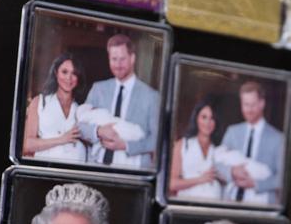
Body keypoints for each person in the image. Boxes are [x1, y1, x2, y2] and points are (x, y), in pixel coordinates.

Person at [78, 34, 159, 169]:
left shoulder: (151, 96)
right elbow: (80, 126)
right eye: (114, 59)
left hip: (132, 170)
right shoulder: (98, 89)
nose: (118, 64)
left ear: (132, 58)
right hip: (97, 165)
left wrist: (126, 145)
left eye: (122, 59)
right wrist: (99, 131)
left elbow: (156, 139)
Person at [218, 81, 284, 204]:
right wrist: (232, 171)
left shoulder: (278, 138)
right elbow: (217, 163)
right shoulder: (232, 132)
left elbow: (283, 177)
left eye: (252, 105)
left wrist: (256, 183)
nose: (249, 110)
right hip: (231, 202)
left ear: (262, 103)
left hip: (262, 206)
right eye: (245, 105)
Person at [22, 52, 87, 163]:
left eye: (74, 73)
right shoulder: (40, 102)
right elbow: (27, 145)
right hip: (47, 168)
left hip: (76, 168)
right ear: (56, 73)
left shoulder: (82, 108)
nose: (69, 78)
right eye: (64, 72)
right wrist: (62, 139)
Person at [168, 99, 223, 200]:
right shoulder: (183, 145)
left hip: (215, 204)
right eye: (204, 117)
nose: (208, 122)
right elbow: (172, 184)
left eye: (212, 118)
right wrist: (200, 179)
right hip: (189, 205)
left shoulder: (219, 148)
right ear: (196, 118)